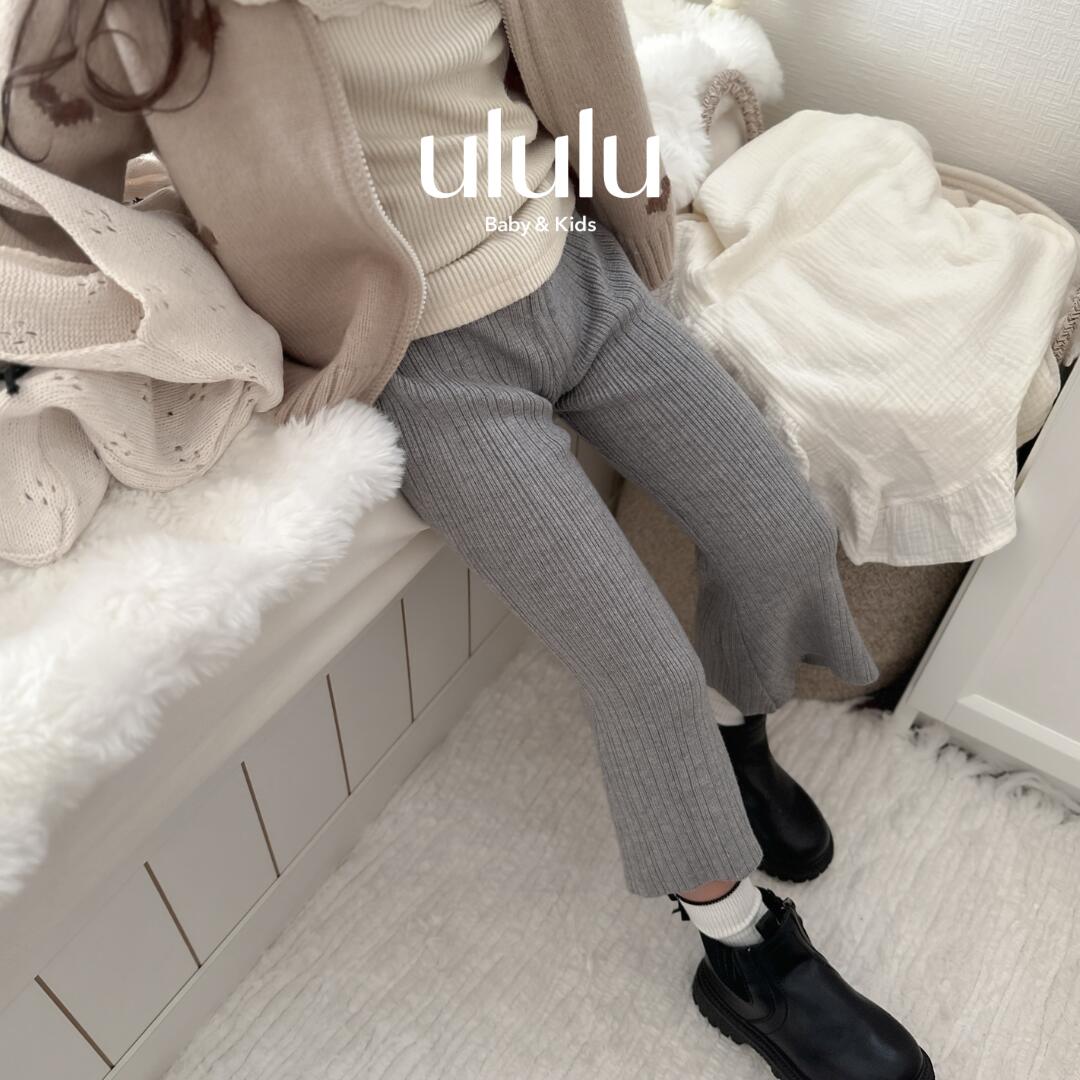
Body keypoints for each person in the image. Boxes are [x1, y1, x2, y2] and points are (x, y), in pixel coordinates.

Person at [1, 1, 934, 1077]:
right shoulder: (143, 16)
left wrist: (627, 204)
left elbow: (578, 63)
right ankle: (742, 954)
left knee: (784, 533)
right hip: (422, 358)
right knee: (644, 673)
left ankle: (733, 739)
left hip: (575, 268)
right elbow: (40, 169)